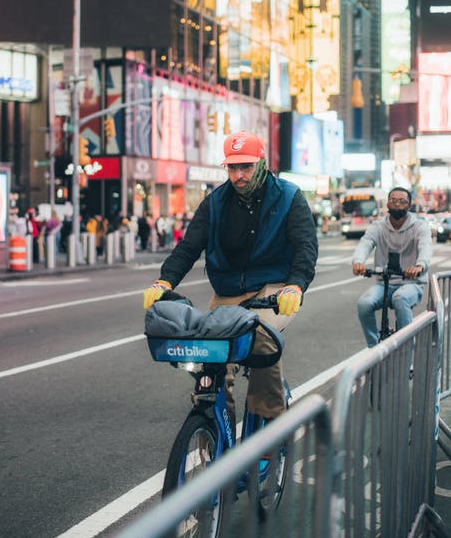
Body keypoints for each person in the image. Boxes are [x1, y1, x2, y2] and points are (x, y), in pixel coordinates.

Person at [142, 130, 318, 424]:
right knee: (210, 355)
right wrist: (165, 281)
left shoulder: (289, 197)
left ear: (261, 163)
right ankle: (214, 423)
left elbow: (305, 248)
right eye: (233, 168)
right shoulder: (215, 203)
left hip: (273, 289)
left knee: (261, 340)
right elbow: (188, 247)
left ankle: (270, 422)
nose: (239, 175)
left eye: (246, 167)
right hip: (228, 291)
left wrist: (295, 286)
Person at [352, 186, 433, 348]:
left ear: (409, 206)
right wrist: (358, 261)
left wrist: (419, 266)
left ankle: (407, 350)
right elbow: (366, 242)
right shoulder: (378, 226)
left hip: (411, 283)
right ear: (387, 204)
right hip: (385, 283)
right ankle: (374, 349)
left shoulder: (419, 226)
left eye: (402, 201)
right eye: (393, 200)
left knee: (400, 298)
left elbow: (426, 246)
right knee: (364, 304)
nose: (397, 204)